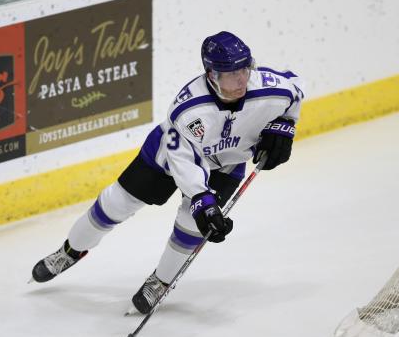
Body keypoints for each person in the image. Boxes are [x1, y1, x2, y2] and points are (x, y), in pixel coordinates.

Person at [31, 31, 304, 314]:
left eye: (245, 69)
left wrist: (285, 123)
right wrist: (201, 197)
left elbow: (297, 86)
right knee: (116, 203)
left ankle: (160, 282)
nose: (241, 80)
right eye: (231, 73)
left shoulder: (270, 89)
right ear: (211, 75)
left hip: (227, 164)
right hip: (167, 158)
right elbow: (184, 162)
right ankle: (69, 252)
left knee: (191, 224)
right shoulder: (189, 109)